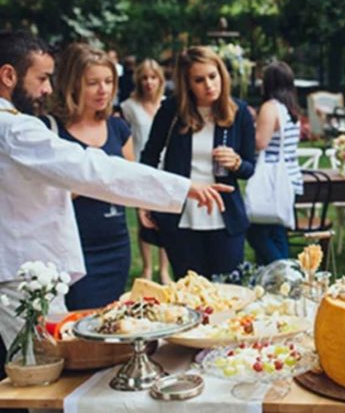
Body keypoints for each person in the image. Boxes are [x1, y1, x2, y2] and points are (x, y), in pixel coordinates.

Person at [0, 31, 231, 369]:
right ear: (8, 76)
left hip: (24, 271)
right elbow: (94, 170)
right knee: (40, 377)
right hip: (21, 278)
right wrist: (184, 188)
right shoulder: (14, 129)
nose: (47, 89)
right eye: (42, 78)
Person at [140, 46, 256, 279]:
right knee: (188, 292)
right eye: (199, 80)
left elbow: (249, 168)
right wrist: (144, 201)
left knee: (228, 291)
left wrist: (236, 163)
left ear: (221, 75)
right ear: (188, 83)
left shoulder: (239, 112)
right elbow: (150, 156)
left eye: (213, 77)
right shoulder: (172, 111)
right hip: (181, 217)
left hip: (225, 217)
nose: (209, 85)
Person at [37, 44, 138, 309]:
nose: (103, 90)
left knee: (110, 322)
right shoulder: (50, 129)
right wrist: (89, 180)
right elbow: (42, 194)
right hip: (72, 248)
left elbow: (132, 183)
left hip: (115, 245)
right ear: (72, 84)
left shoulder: (117, 128)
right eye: (93, 83)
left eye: (108, 81)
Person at [247, 62, 303, 265]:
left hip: (271, 181)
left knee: (256, 232)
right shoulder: (291, 110)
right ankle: (274, 284)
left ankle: (284, 274)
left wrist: (248, 128)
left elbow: (260, 142)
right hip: (289, 178)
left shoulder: (270, 108)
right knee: (277, 232)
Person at [121, 58, 171, 284]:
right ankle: (147, 268)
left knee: (166, 218)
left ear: (160, 80)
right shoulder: (129, 107)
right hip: (142, 165)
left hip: (167, 168)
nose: (149, 82)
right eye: (144, 78)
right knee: (144, 219)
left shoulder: (168, 104)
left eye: (153, 77)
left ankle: (164, 269)